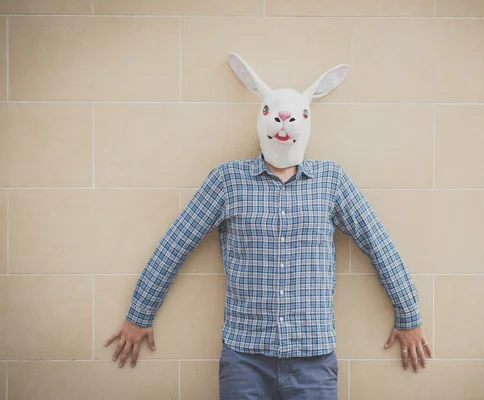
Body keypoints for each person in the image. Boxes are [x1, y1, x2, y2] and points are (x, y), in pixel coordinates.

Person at [104, 53, 432, 399]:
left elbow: (379, 244)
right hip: (245, 358)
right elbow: (176, 244)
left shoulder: (331, 180)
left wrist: (409, 316)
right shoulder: (227, 180)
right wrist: (139, 314)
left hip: (314, 358)